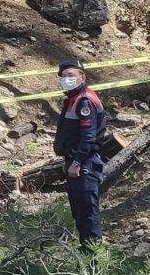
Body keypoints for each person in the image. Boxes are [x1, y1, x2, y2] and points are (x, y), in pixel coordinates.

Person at [53, 59, 107, 250]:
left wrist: (76, 162)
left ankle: (94, 258)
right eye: (63, 76)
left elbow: (89, 137)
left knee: (88, 214)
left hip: (85, 164)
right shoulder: (73, 98)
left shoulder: (84, 100)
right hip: (76, 162)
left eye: (71, 75)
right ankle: (86, 253)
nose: (66, 79)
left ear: (81, 77)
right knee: (80, 213)